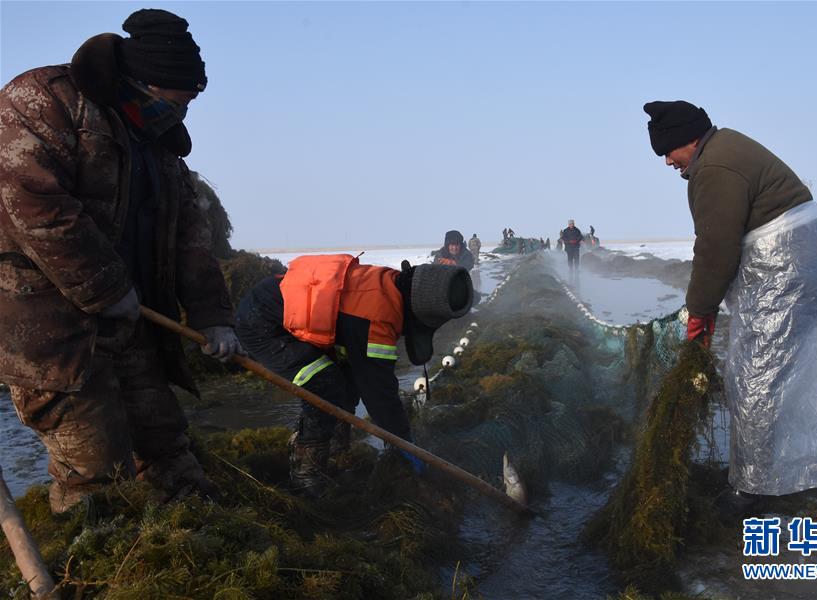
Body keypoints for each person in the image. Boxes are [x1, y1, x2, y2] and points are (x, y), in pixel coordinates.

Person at [0, 9, 242, 514]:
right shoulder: (43, 101)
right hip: (49, 331)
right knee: (95, 474)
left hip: (131, 326)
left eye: (191, 102)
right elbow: (36, 205)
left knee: (168, 448)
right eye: (178, 100)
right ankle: (95, 576)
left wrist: (213, 318)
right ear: (142, 82)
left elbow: (189, 239)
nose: (183, 113)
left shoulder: (162, 148)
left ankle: (199, 544)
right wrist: (107, 288)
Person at [643, 100, 817, 507]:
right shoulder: (726, 146)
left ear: (689, 140)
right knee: (785, 372)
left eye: (667, 152)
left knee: (756, 377)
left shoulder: (713, 168)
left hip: (791, 268)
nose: (666, 162)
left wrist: (699, 313)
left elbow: (716, 248)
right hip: (816, 261)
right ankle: (793, 466)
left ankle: (752, 489)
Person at [235, 255, 473, 497]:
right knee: (325, 386)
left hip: (291, 312)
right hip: (264, 323)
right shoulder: (377, 317)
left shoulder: (391, 283)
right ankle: (306, 476)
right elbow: (379, 394)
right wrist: (405, 442)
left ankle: (337, 457)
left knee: (346, 386)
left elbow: (361, 373)